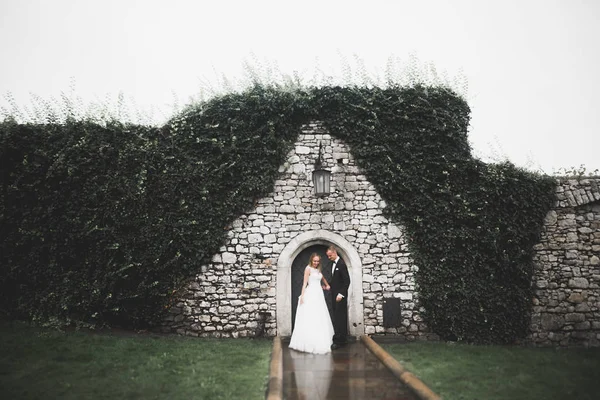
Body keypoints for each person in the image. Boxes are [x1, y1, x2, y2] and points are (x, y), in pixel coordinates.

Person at [289, 253, 335, 354]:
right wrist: (302, 296)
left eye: (318, 261)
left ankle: (322, 338)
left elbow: (322, 278)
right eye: (314, 261)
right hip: (311, 293)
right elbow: (305, 283)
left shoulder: (318, 269)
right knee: (311, 315)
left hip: (319, 294)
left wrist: (326, 285)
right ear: (311, 260)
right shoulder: (308, 268)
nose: (316, 263)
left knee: (320, 315)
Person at [326, 246, 350, 349]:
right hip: (334, 295)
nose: (329, 257)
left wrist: (341, 294)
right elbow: (336, 280)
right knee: (337, 317)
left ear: (335, 253)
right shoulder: (333, 264)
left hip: (340, 297)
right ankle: (341, 339)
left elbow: (346, 281)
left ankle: (339, 341)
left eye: (330, 255)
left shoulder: (341, 264)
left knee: (340, 318)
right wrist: (328, 285)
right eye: (328, 256)